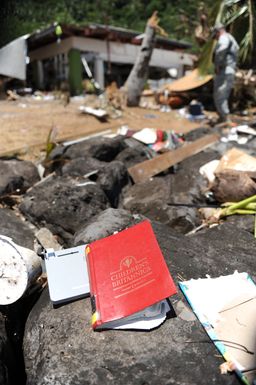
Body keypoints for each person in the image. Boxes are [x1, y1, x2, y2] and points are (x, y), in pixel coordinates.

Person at [212, 22, 239, 123]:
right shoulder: (231, 38)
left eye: (215, 36)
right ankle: (223, 117)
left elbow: (221, 51)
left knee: (220, 94)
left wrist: (218, 65)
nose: (216, 38)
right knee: (222, 94)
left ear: (218, 32)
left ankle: (224, 118)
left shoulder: (224, 38)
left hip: (224, 70)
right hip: (229, 70)